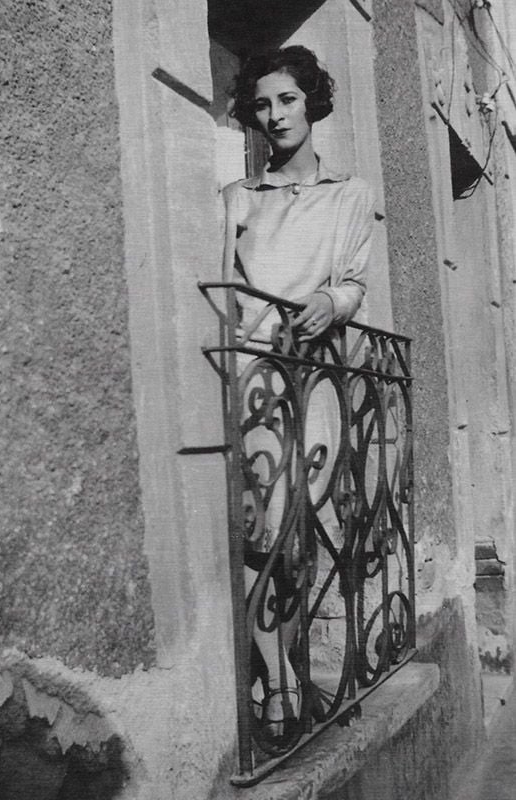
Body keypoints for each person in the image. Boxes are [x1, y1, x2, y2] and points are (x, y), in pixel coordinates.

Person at [222, 45, 375, 742]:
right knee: (266, 531)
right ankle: (279, 686)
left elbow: (352, 280)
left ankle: (286, 672)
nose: (274, 114)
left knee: (302, 534)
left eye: (286, 99)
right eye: (261, 104)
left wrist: (330, 301)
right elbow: (221, 289)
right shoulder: (237, 198)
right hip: (255, 378)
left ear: (310, 101)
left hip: (313, 379)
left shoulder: (349, 193)